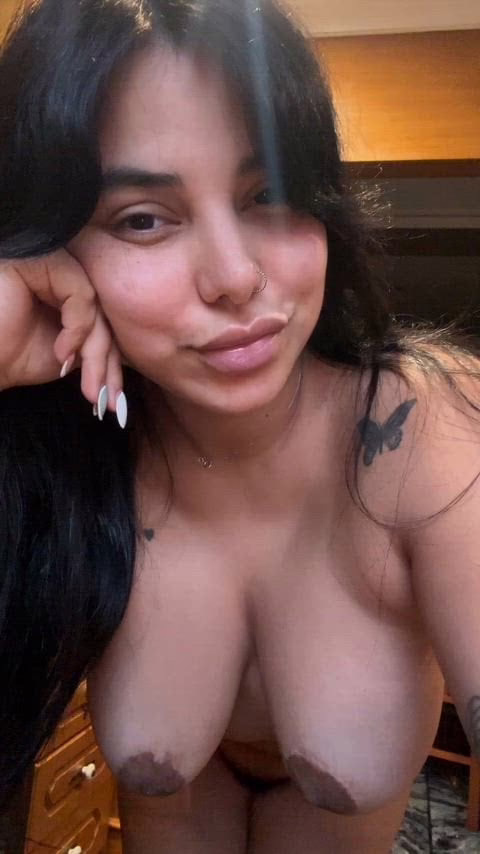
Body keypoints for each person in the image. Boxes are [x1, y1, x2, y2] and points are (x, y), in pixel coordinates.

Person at [0, 0, 479, 851]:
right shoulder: (73, 449)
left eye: (271, 195)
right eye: (142, 218)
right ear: (51, 244)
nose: (234, 276)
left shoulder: (422, 431)